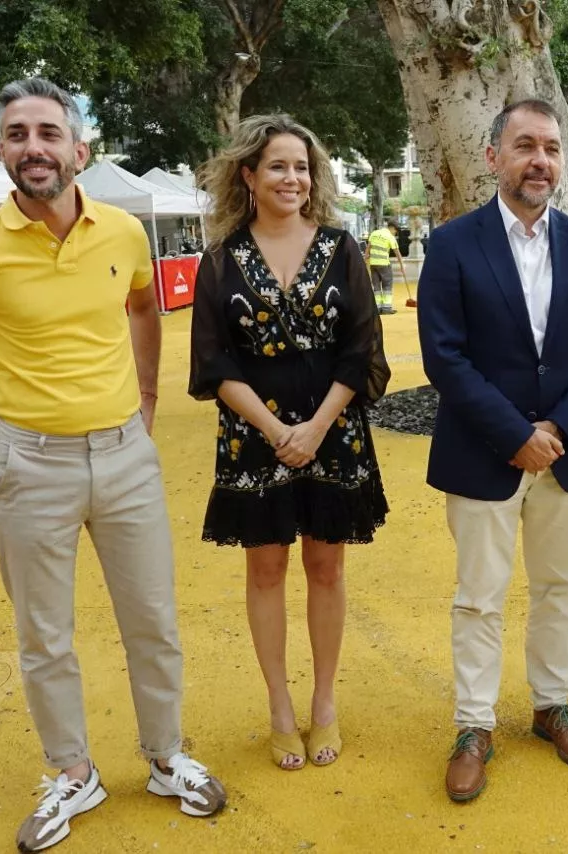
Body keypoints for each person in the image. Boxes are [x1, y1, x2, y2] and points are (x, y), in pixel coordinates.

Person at [0, 77, 226, 853]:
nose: (34, 147)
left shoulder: (122, 233)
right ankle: (72, 771)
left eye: (48, 132)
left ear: (79, 151)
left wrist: (146, 396)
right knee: (44, 636)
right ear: (1, 150)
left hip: (125, 458)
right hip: (29, 466)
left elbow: (144, 307)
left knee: (152, 621)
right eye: (18, 134)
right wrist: (7, 361)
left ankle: (164, 757)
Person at [418, 99, 568, 803]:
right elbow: (444, 358)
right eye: (525, 145)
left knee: (559, 589)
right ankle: (474, 726)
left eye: (552, 148)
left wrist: (557, 430)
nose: (541, 160)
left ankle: (551, 707)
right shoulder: (452, 245)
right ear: (493, 157)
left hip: (567, 453)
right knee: (479, 598)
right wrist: (515, 435)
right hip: (483, 453)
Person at [189, 114, 389, 772]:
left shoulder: (342, 248)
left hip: (334, 432)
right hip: (254, 440)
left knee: (327, 568)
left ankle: (324, 701)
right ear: (248, 176)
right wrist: (277, 430)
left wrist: (317, 426)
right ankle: (279, 706)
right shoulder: (220, 260)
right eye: (278, 166)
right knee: (266, 571)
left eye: (302, 167)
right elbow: (213, 361)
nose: (292, 178)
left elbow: (361, 349)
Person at [366, 219, 407, 314]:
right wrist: (402, 266)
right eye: (396, 231)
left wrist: (365, 260)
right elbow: (397, 253)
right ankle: (386, 308)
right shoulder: (390, 237)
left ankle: (377, 308)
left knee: (376, 286)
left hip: (373, 264)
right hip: (384, 264)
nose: (395, 233)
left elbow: (368, 250)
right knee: (387, 285)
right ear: (392, 228)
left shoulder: (374, 233)